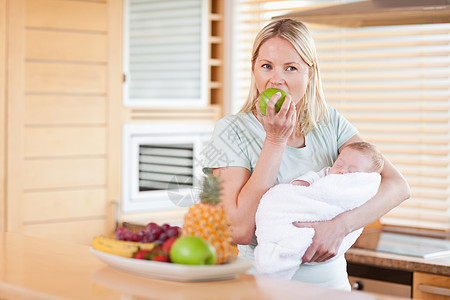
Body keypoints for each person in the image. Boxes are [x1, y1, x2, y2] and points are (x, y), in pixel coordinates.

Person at [202, 18, 410, 290]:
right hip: (264, 284)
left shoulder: (330, 122)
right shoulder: (231, 130)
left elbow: (398, 186)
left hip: (332, 286)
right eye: (267, 66)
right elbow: (238, 230)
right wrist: (275, 139)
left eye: (291, 68)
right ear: (254, 69)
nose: (276, 79)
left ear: (309, 74)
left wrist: (339, 227)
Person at [291, 141, 384, 187]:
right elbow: (313, 176)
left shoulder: (360, 188)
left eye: (351, 172)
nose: (342, 170)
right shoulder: (328, 173)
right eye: (339, 164)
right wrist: (304, 182)